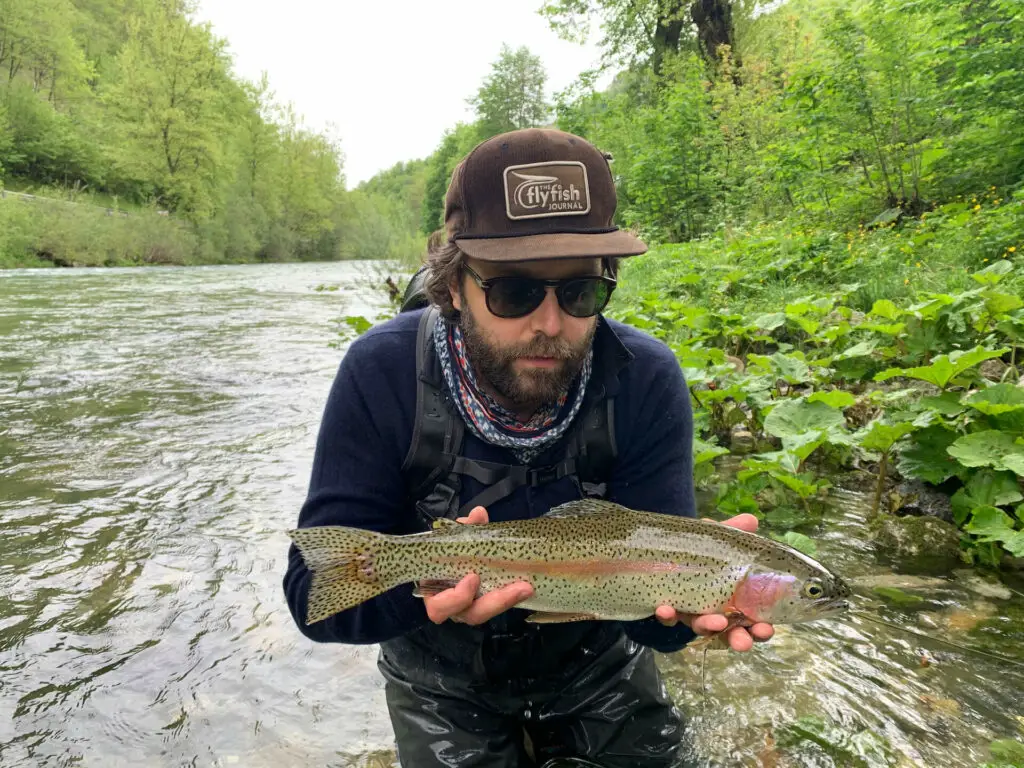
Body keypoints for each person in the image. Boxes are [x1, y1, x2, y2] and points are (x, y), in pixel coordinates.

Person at [283, 128, 774, 768]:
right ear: (454, 286)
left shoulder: (645, 378)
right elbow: (314, 601)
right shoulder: (381, 371)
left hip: (597, 666)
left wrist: (688, 605)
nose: (548, 323)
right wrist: (427, 601)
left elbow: (656, 626)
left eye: (579, 292)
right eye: (513, 291)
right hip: (439, 680)